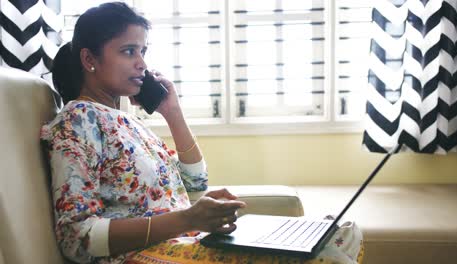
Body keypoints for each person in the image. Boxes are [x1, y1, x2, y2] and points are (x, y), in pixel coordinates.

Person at [41, 2, 363, 264]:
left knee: (342, 232)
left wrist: (173, 113)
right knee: (329, 258)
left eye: (143, 51)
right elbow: (77, 238)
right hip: (143, 255)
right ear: (89, 59)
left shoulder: (131, 123)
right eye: (128, 51)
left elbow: (195, 183)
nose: (142, 63)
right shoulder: (78, 122)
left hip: (187, 242)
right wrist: (187, 219)